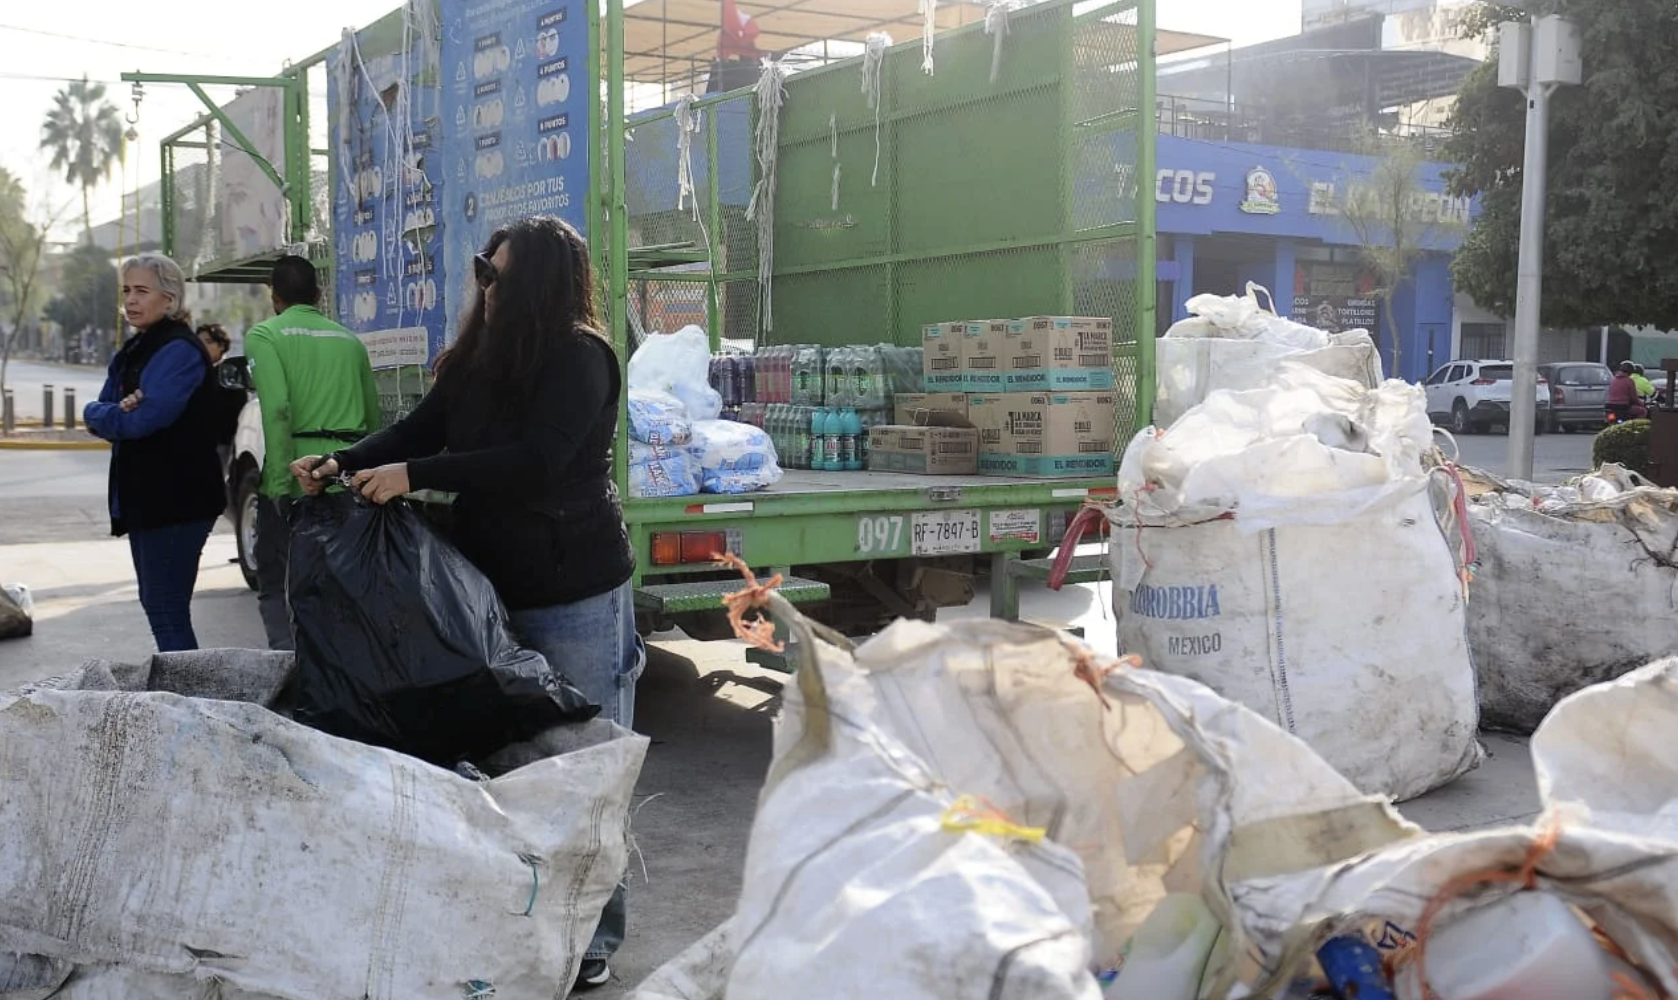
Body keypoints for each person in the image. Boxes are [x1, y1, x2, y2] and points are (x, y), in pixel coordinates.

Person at [290, 216, 642, 990]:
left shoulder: (581, 358)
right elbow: (421, 428)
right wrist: (344, 461)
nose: (484, 286)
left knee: (584, 766)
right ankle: (519, 919)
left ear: (539, 283)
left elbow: (538, 460)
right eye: (482, 270)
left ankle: (594, 935)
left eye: (497, 275)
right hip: (487, 589)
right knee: (504, 763)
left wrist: (417, 476)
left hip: (574, 588)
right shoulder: (479, 357)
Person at [83, 253, 226, 652]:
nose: (131, 300)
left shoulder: (177, 350)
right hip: (149, 499)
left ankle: (187, 690)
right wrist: (102, 412)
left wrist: (109, 415)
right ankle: (184, 687)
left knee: (166, 609)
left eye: (142, 291)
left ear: (170, 298)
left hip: (177, 500)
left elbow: (142, 421)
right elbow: (102, 411)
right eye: (126, 290)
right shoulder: (137, 347)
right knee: (159, 606)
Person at [245, 255, 383, 651]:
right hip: (346, 481)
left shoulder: (265, 335)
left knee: (279, 586)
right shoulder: (349, 341)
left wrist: (278, 486)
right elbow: (374, 421)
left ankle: (290, 671)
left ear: (274, 296)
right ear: (318, 294)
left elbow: (277, 410)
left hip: (297, 481)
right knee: (341, 593)